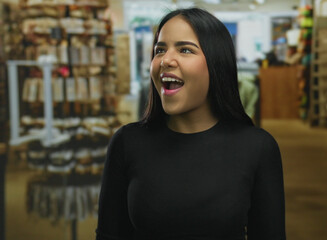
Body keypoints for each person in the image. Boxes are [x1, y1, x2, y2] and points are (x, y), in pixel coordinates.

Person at [96, 7, 286, 240]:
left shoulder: (257, 148)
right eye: (160, 50)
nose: (166, 60)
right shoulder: (127, 142)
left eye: (185, 49)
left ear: (217, 64)